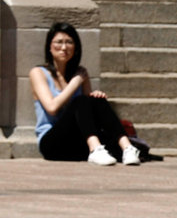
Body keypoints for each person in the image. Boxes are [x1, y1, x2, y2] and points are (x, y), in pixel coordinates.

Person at [30, 22, 141, 166]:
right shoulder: (38, 73)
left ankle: (128, 148)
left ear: (75, 48)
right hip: (52, 143)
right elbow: (51, 107)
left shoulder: (80, 73)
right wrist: (75, 83)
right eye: (59, 42)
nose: (64, 47)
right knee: (80, 101)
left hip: (77, 140)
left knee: (96, 99)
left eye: (69, 42)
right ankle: (95, 150)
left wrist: (96, 97)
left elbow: (89, 113)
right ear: (49, 47)